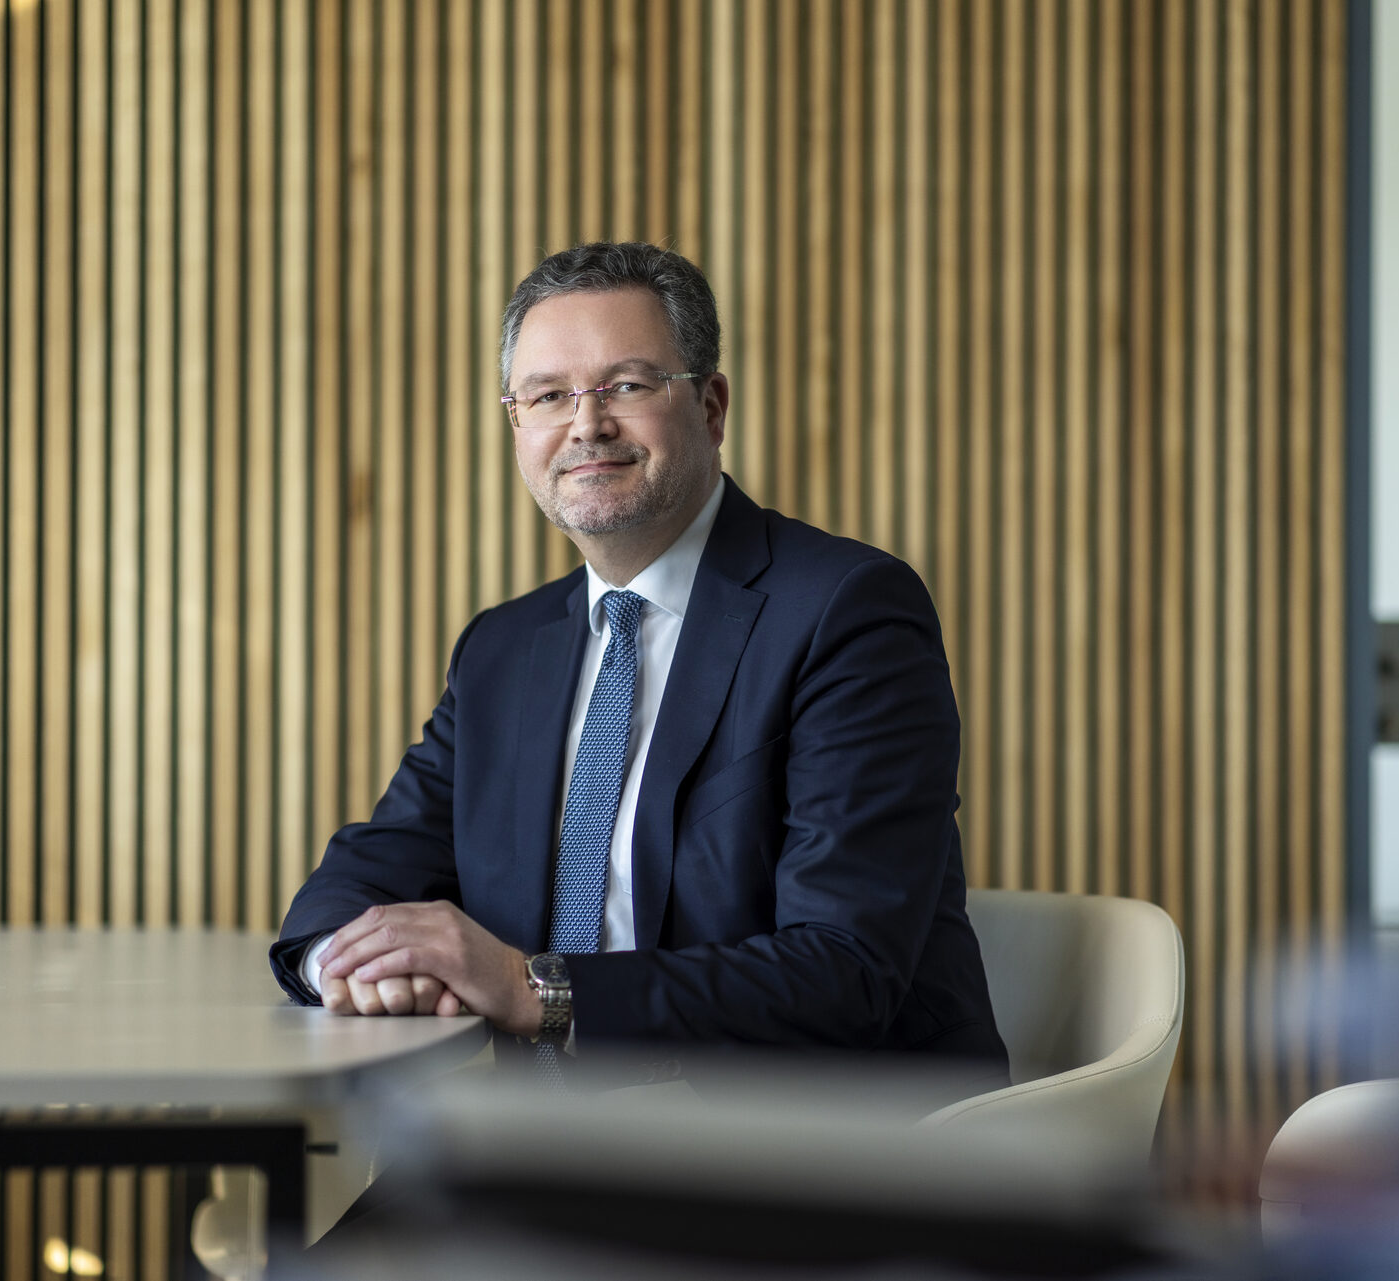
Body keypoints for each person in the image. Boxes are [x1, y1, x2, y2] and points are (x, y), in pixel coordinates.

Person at [270, 242, 1005, 1091]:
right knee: (361, 1177)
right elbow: (362, 878)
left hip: (812, 1133)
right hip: (550, 1132)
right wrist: (346, 960)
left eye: (625, 385)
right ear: (518, 426)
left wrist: (532, 990)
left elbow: (846, 970)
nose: (586, 425)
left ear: (711, 406)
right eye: (549, 395)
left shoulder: (847, 611)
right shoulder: (503, 650)